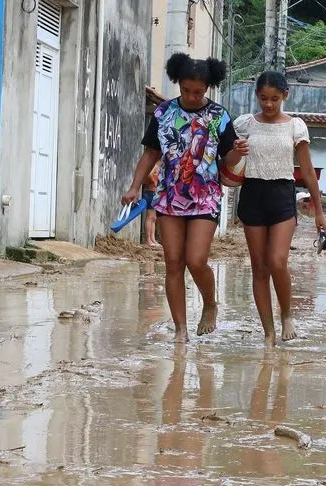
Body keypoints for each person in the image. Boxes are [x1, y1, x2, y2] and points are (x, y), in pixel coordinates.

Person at [123, 52, 245, 343]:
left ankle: (210, 304)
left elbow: (227, 158)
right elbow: (151, 152)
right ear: (178, 84)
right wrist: (134, 186)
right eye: (186, 91)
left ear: (208, 88)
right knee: (173, 261)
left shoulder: (219, 115)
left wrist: (237, 152)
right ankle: (180, 329)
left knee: (196, 259)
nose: (191, 97)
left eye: (198, 92)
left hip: (206, 197)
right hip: (169, 197)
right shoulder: (163, 113)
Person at [234, 71, 326, 346]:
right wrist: (236, 150)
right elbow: (227, 161)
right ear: (256, 95)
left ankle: (287, 314)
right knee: (259, 268)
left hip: (282, 194)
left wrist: (319, 212)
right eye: (263, 98)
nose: (269, 104)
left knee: (277, 261)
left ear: (285, 95)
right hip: (252, 193)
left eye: (275, 98)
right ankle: (268, 331)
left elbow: (308, 172)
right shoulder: (245, 124)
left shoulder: (296, 126)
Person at [141, 162, 161, 248]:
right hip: (150, 191)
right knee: (150, 217)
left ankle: (152, 239)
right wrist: (154, 181)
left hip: (155, 192)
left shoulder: (159, 165)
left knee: (154, 218)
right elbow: (148, 175)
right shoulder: (154, 165)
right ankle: (148, 240)